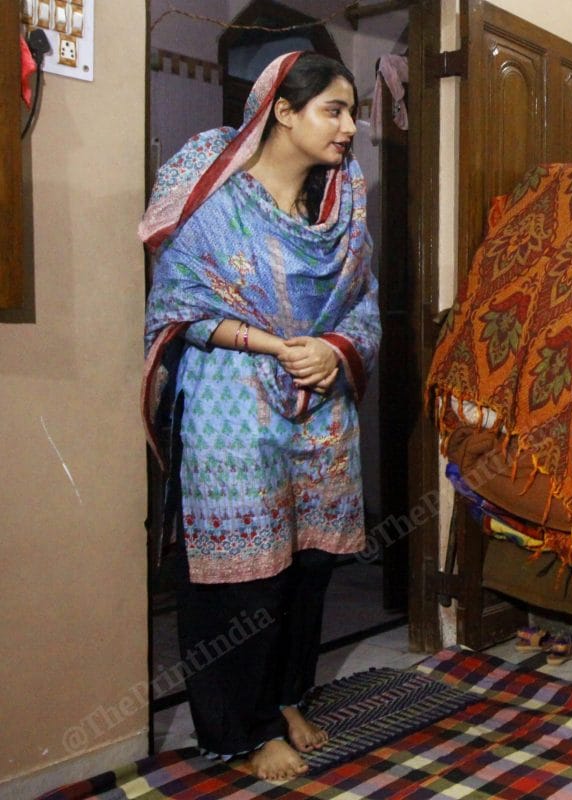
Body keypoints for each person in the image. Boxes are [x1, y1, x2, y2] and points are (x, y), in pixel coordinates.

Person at [140, 52, 380, 781]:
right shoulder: (215, 199)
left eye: (352, 113)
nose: (348, 128)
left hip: (319, 406)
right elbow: (178, 302)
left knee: (307, 567)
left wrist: (335, 350)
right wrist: (278, 344)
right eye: (332, 111)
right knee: (239, 573)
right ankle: (239, 732)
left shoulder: (342, 203)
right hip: (231, 402)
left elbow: (364, 302)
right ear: (282, 110)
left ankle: (284, 698)